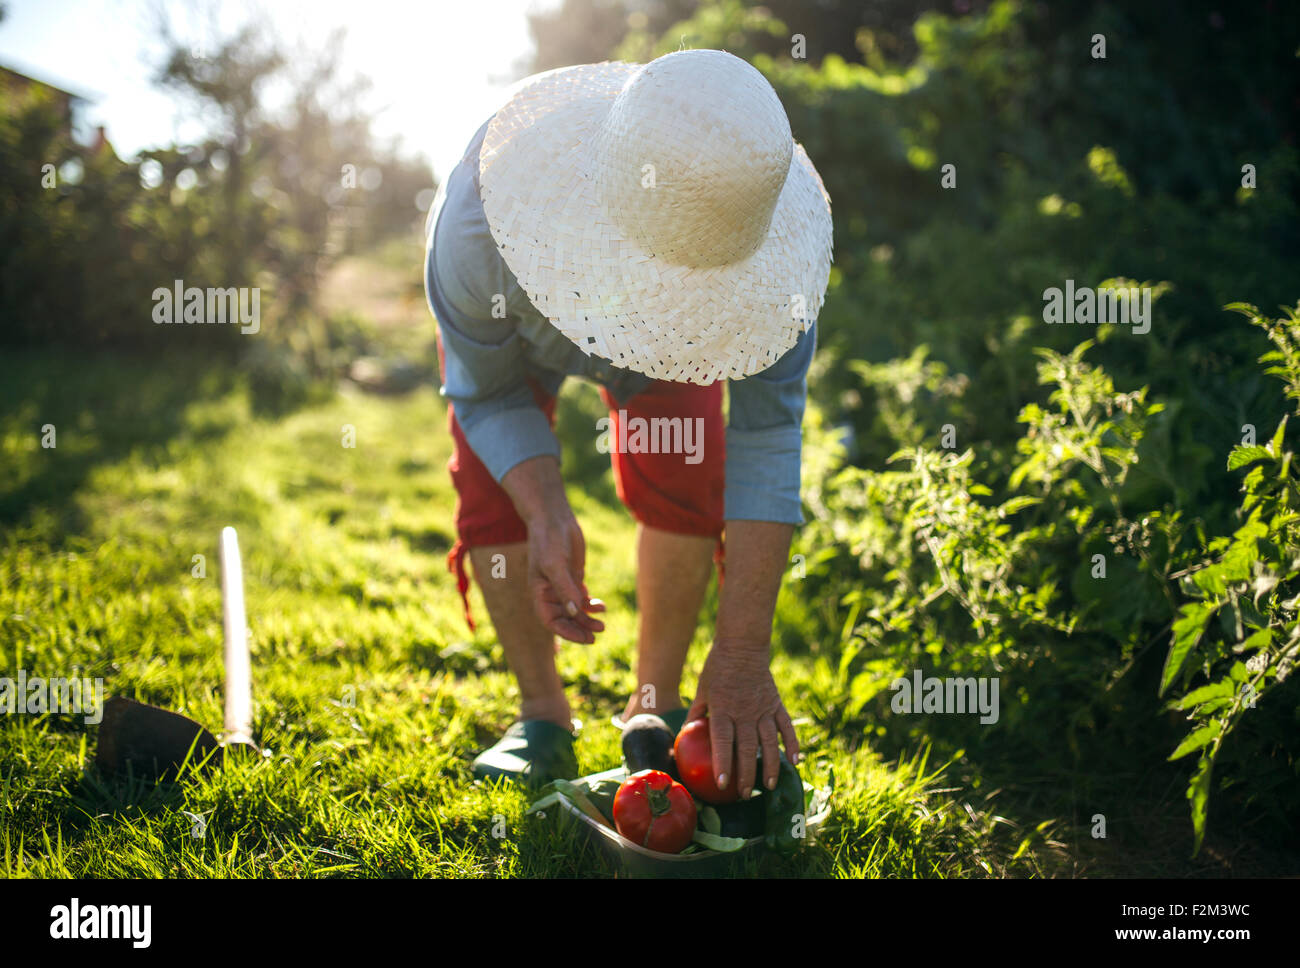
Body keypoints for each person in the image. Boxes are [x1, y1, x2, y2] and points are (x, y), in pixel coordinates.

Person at [423, 48, 833, 798]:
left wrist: (742, 652)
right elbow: (485, 396)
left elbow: (767, 439)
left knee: (684, 479)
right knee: (492, 498)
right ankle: (541, 717)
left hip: (685, 345)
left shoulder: (779, 277)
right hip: (517, 333)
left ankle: (655, 705)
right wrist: (545, 511)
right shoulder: (478, 230)